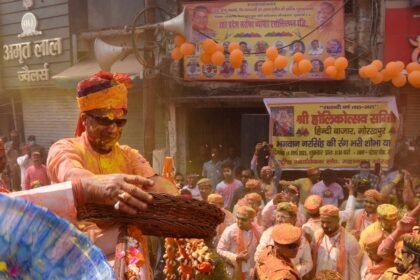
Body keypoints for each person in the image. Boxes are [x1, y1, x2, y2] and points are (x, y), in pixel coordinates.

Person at [47, 71, 178, 279]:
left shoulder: (129, 155)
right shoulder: (64, 149)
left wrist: (178, 200)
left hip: (128, 257)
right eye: (105, 120)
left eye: (119, 121)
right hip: (77, 258)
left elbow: (156, 184)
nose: (113, 129)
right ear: (85, 119)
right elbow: (71, 174)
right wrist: (99, 186)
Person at [255, 202, 313, 278]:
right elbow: (258, 256)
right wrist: (276, 270)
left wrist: (292, 271)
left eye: (283, 217)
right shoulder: (268, 234)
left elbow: (308, 263)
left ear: (293, 219)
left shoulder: (300, 237)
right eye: (278, 216)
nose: (279, 220)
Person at [312, 205, 361, 280]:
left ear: (338, 220)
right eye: (323, 222)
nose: (325, 225)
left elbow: (354, 273)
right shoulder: (317, 236)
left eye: (328, 222)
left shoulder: (350, 241)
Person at [217, 205, 263, 280]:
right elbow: (219, 250)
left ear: (251, 219)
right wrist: (237, 257)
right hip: (233, 271)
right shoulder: (230, 230)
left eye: (243, 219)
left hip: (251, 272)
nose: (239, 221)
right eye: (237, 218)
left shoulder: (258, 231)